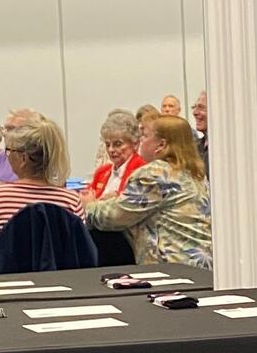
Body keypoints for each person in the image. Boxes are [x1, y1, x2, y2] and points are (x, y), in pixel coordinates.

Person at [87, 112, 212, 267]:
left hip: (170, 269)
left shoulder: (155, 173)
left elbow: (115, 217)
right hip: (201, 267)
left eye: (145, 136)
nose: (140, 142)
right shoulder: (196, 173)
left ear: (161, 145)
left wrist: (89, 205)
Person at [0, 115, 86, 250]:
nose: (7, 156)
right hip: (60, 271)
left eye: (9, 151)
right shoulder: (70, 200)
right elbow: (80, 248)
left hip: (9, 271)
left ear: (23, 158)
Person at [83, 108, 146, 201]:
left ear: (135, 144)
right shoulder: (102, 172)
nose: (111, 149)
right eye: (108, 144)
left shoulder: (142, 171)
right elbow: (85, 197)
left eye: (118, 144)